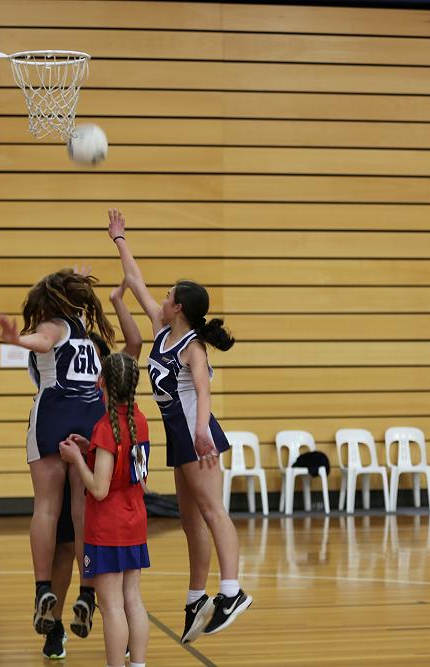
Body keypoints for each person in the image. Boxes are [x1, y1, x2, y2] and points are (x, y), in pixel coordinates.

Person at [107, 208, 253, 643]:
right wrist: (119, 240)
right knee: (191, 520)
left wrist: (203, 430)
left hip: (197, 433)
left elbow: (203, 391)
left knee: (212, 511)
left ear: (180, 308)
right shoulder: (162, 328)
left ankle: (233, 591)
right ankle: (196, 598)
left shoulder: (194, 347)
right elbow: (135, 280)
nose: (162, 297)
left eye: (169, 295)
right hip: (180, 436)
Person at [0, 268, 116, 635]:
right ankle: (87, 591)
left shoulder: (54, 326)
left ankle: (43, 588)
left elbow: (44, 341)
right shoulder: (88, 337)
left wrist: (16, 339)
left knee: (46, 508)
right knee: (82, 514)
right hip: (89, 421)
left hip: (54, 416)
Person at [42, 279, 145, 659]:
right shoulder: (136, 417)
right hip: (125, 508)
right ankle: (62, 623)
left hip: (100, 500)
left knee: (105, 589)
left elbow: (134, 345)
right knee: (73, 555)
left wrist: (116, 301)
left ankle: (82, 609)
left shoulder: (108, 414)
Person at [60, 352, 150, 667]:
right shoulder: (140, 420)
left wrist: (77, 459)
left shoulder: (105, 427)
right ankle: (138, 664)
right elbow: (126, 467)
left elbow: (99, 489)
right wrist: (92, 451)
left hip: (108, 527)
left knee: (111, 606)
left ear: (101, 383)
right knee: (133, 600)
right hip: (134, 521)